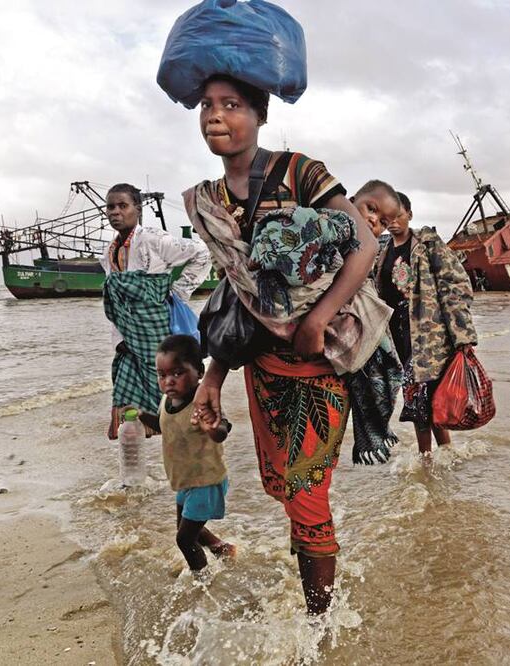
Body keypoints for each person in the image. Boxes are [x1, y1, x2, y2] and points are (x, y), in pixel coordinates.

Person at [181, 74, 380, 615]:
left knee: (308, 493)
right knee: (291, 493)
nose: (215, 116)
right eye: (206, 106)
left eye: (232, 105)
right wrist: (212, 380)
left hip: (323, 359)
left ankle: (318, 629)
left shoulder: (301, 171)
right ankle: (314, 600)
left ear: (260, 115)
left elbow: (364, 242)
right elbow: (236, 298)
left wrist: (320, 315)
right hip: (263, 368)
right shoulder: (210, 199)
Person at [100, 183, 211, 439]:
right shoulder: (109, 251)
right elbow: (118, 302)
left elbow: (201, 253)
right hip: (128, 335)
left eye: (122, 206)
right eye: (110, 207)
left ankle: (187, 437)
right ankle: (142, 457)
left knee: (167, 386)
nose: (115, 212)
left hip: (155, 328)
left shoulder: (153, 239)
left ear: (137, 210)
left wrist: (179, 292)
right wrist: (120, 340)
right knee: (128, 392)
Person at [376, 191, 478, 454]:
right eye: (389, 217)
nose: (394, 221)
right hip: (399, 334)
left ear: (410, 214)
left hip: (428, 335)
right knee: (423, 397)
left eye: (399, 215)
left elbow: (456, 285)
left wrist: (463, 336)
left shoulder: (428, 245)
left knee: (420, 395)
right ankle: (443, 455)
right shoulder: (383, 251)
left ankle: (429, 459)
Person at [139, 335, 234, 572]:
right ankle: (222, 549)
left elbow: (223, 428)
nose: (168, 382)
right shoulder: (167, 401)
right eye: (162, 375)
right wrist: (142, 417)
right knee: (186, 528)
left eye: (177, 373)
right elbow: (167, 426)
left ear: (200, 372)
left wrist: (214, 429)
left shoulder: (201, 404)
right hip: (186, 481)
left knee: (184, 539)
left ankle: (202, 581)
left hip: (206, 481)